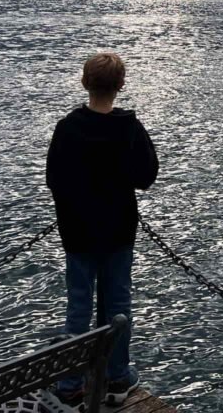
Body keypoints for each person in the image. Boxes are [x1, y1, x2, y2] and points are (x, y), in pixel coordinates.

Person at [46, 52, 159, 407]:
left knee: (78, 306)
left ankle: (70, 384)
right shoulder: (128, 128)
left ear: (84, 82)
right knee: (118, 304)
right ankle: (117, 378)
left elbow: (54, 180)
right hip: (118, 231)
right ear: (121, 86)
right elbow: (147, 177)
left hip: (77, 232)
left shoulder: (68, 127)